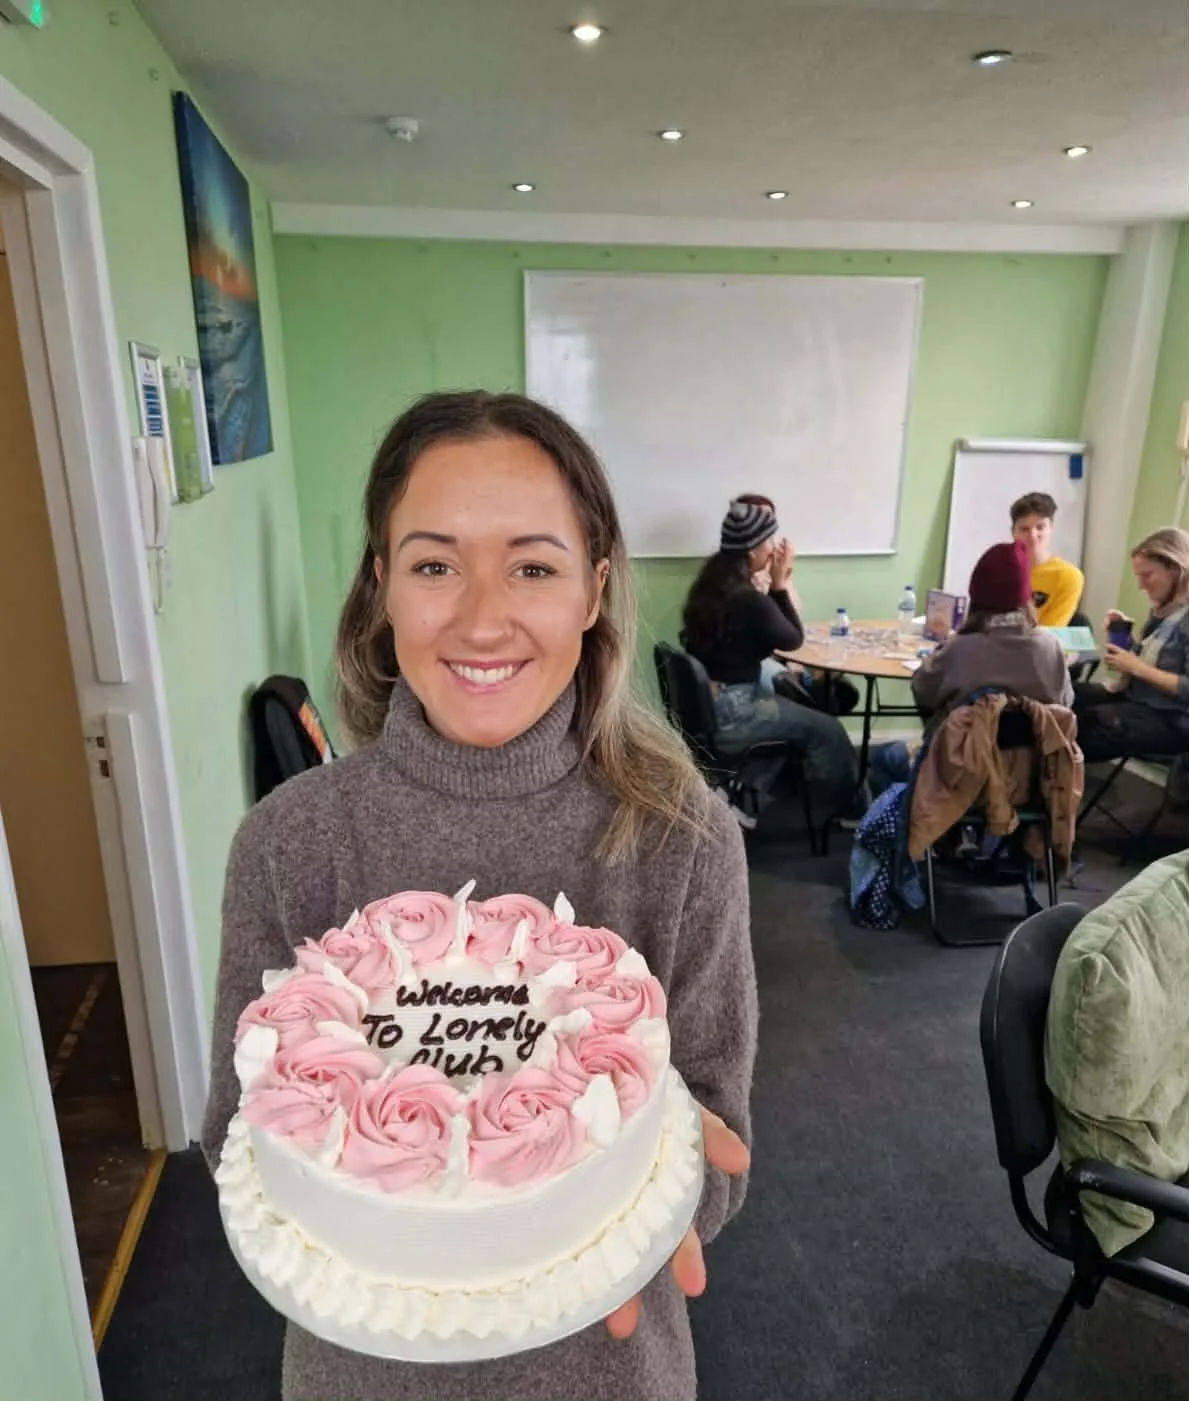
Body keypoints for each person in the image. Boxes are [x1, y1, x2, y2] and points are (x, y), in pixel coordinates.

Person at [202, 391, 757, 1401]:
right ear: (381, 588)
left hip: (607, 1367)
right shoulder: (287, 842)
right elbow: (237, 1127)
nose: (481, 618)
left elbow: (715, 1121)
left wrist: (653, 1212)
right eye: (433, 565)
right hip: (358, 1374)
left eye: (533, 567)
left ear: (593, 592)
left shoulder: (682, 837)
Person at [680, 498, 860, 819]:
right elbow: (792, 639)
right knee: (827, 729)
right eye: (769, 542)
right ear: (752, 551)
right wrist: (779, 583)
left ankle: (745, 799)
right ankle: (853, 810)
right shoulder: (748, 599)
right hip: (737, 710)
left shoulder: (710, 586)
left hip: (713, 700)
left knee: (791, 718)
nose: (774, 549)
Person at [911, 540, 1074, 723]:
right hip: (1036, 751)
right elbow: (1065, 703)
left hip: (963, 751)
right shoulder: (1049, 646)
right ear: (1027, 599)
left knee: (889, 753)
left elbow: (922, 691)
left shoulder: (960, 648)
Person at [1074, 527, 1189, 762]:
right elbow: (1148, 662)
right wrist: (1125, 640)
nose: (1140, 585)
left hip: (1172, 719)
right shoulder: (1166, 609)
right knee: (1064, 697)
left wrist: (1136, 667)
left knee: (1083, 727)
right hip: (1138, 699)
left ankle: (1044, 790)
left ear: (1175, 570)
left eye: (1147, 575)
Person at [1010, 491, 1085, 627]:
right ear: (1013, 532)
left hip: (1042, 646)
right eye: (1024, 529)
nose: (1033, 536)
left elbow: (1048, 635)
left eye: (1040, 527)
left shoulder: (1068, 576)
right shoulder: (999, 570)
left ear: (1051, 529)